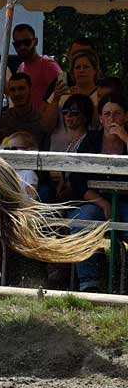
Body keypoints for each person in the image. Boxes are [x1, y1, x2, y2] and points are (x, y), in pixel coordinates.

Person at [68, 93, 128, 292]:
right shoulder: (91, 140)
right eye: (107, 114)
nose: (112, 119)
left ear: (125, 117)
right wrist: (102, 202)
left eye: (117, 114)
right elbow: (77, 181)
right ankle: (88, 285)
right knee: (82, 219)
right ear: (100, 119)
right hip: (96, 202)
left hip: (126, 203)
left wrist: (126, 139)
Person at [43, 50, 100, 152]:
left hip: (87, 153)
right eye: (77, 67)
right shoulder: (61, 92)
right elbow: (46, 126)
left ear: (95, 70)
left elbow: (96, 124)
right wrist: (55, 99)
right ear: (72, 72)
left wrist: (84, 100)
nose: (81, 70)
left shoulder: (100, 95)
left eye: (86, 67)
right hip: (57, 153)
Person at [53, 94, 93, 202]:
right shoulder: (70, 143)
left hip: (83, 198)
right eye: (65, 111)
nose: (68, 115)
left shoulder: (90, 141)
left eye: (74, 112)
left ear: (85, 116)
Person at [13, 23, 62, 111]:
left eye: (26, 42)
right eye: (18, 44)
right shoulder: (21, 67)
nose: (22, 47)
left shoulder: (47, 64)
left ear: (35, 41)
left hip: (44, 122)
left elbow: (62, 95)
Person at [0, 72, 49, 148]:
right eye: (12, 90)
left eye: (21, 88)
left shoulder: (41, 121)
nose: (17, 94)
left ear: (30, 89)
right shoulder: (1, 120)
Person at [0, 132, 39, 200]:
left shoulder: (28, 174)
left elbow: (32, 201)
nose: (10, 152)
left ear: (28, 150)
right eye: (7, 149)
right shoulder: (6, 171)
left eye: (14, 149)